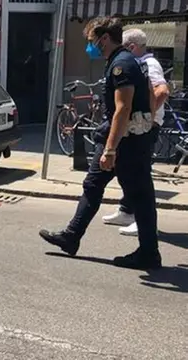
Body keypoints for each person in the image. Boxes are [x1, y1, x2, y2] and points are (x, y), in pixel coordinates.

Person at [39, 17, 160, 270]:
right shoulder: (123, 61)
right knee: (93, 186)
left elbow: (122, 108)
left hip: (125, 144)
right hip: (122, 139)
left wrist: (111, 149)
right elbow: (148, 92)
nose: (90, 45)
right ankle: (71, 237)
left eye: (92, 40)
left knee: (140, 196)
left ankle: (149, 253)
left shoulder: (121, 65)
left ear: (105, 38)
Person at [102, 28, 169, 237]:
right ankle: (126, 210)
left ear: (131, 47)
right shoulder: (138, 62)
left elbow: (162, 91)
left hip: (144, 128)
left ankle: (141, 220)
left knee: (138, 174)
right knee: (129, 172)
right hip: (138, 126)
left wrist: (147, 116)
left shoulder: (148, 63)